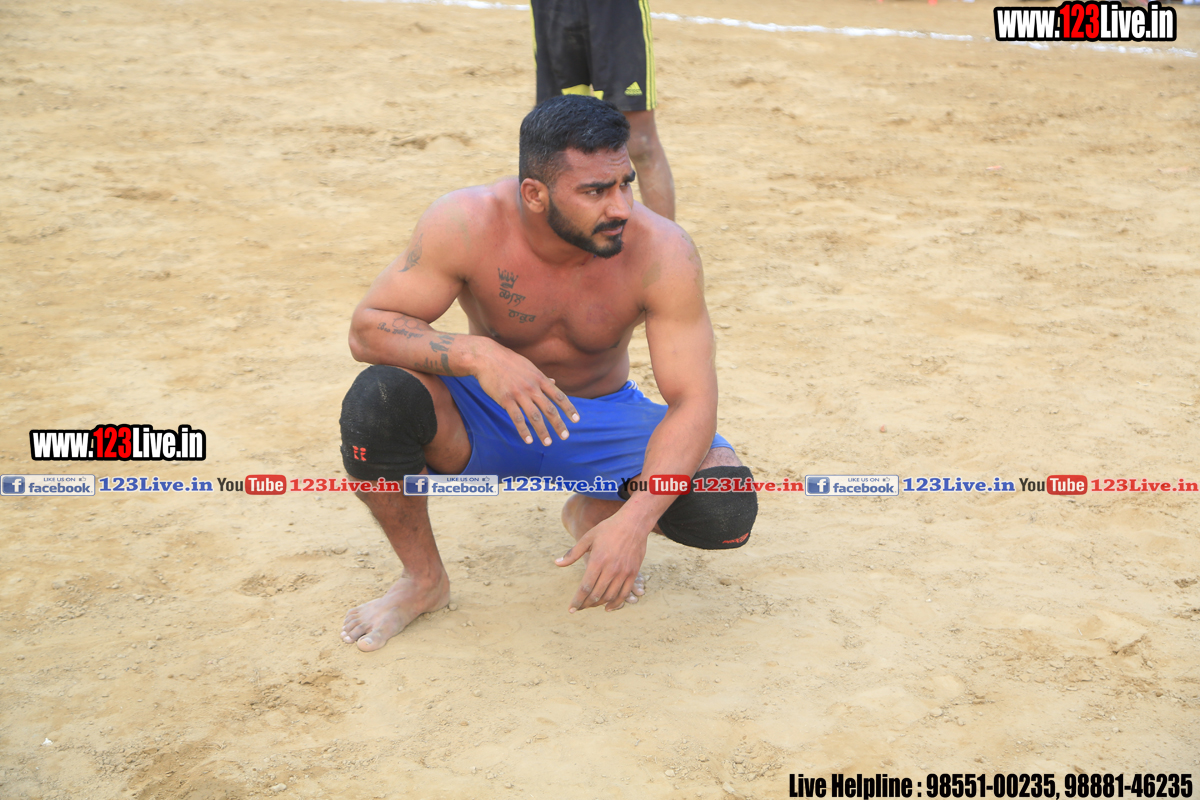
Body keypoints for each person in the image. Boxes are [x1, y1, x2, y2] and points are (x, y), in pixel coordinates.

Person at [338, 95, 755, 652]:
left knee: (725, 506)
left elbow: (693, 401)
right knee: (379, 400)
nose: (621, 207)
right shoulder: (465, 222)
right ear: (534, 193)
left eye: (625, 183)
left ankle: (595, 509)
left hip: (600, 417)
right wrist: (479, 355)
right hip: (485, 416)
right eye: (595, 191)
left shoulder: (662, 250)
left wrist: (636, 520)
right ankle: (423, 581)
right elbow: (367, 331)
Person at [531, 0, 676, 220]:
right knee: (554, 137)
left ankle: (664, 242)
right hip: (553, 6)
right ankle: (560, 239)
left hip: (614, 8)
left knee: (639, 142)